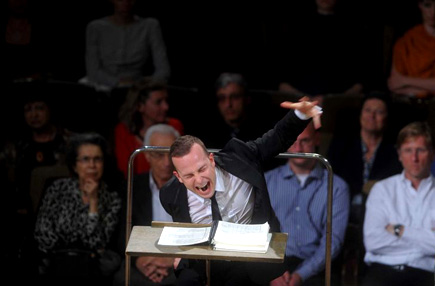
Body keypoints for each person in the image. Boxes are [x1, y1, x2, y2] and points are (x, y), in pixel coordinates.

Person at [160, 97, 322, 285]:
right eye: (188, 176)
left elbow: (277, 137)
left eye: (202, 169)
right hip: (203, 263)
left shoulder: (239, 160)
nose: (199, 179)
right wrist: (182, 253)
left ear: (211, 160)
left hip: (248, 260)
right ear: (178, 177)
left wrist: (301, 115)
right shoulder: (170, 194)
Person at [265, 122, 350, 286]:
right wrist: (272, 273)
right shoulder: (267, 181)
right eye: (293, 141)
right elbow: (258, 231)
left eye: (305, 141)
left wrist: (300, 275)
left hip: (315, 267)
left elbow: (333, 242)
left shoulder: (337, 186)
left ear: (317, 139)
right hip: (274, 264)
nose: (298, 148)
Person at [34, 132, 122, 286]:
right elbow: (43, 235)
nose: (92, 166)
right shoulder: (57, 189)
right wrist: (71, 249)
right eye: (85, 159)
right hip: (56, 260)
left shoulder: (112, 198)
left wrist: (94, 202)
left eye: (97, 159)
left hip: (92, 266)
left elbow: (98, 243)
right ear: (75, 165)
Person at [362, 121, 435, 286]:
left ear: (432, 153)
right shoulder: (382, 189)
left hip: (426, 275)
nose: (414, 158)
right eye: (408, 150)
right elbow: (373, 241)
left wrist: (399, 229)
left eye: (420, 150)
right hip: (383, 272)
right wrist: (427, 238)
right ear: (400, 154)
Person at [113, 124, 180, 286]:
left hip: (179, 258)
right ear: (147, 155)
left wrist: (175, 259)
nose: (166, 163)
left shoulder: (191, 186)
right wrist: (140, 259)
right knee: (122, 279)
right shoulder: (132, 186)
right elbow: (122, 233)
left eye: (171, 155)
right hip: (143, 258)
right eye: (159, 155)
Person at [277, 0, 365, 105]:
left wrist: (332, 99)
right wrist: (303, 97)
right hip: (299, 97)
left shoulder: (351, 28)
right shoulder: (297, 26)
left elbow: (359, 77)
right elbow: (283, 76)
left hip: (337, 100)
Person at [79, 0, 170, 92]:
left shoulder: (150, 25)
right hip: (104, 86)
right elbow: (93, 70)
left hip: (138, 87)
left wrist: (149, 84)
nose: (126, 2)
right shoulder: (95, 27)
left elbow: (163, 68)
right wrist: (117, 82)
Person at [114, 78, 184, 179]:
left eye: (166, 101)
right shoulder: (124, 131)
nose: (166, 107)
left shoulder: (174, 126)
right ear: (140, 106)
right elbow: (126, 173)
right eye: (158, 102)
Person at [198, 72, 274, 149]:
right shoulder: (207, 135)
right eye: (222, 98)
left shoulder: (263, 134)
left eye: (235, 97)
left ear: (247, 99)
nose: (228, 104)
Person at [388, 0, 435, 98]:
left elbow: (400, 81)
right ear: (420, 6)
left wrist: (405, 81)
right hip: (410, 104)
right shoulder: (407, 41)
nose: (433, 12)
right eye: (428, 5)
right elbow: (394, 84)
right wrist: (425, 91)